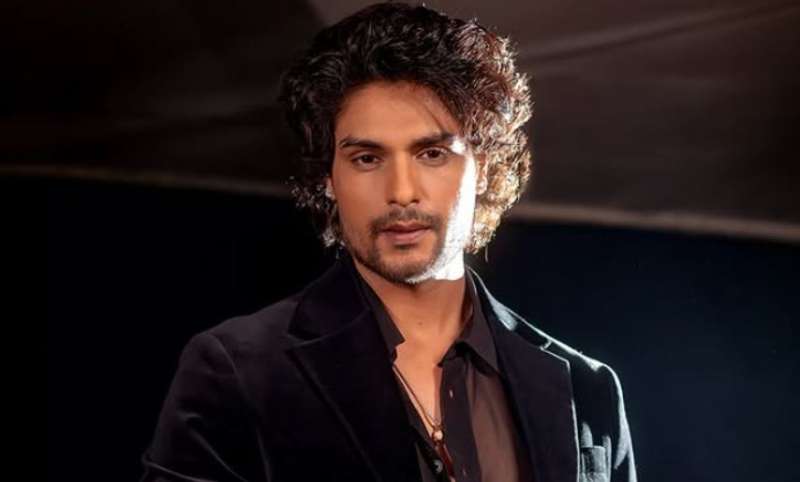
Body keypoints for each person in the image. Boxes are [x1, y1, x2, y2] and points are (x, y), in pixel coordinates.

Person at [141, 3, 636, 481]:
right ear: (327, 178)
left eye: (432, 153)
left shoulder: (585, 386)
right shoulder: (238, 369)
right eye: (367, 159)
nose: (400, 191)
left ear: (484, 167)